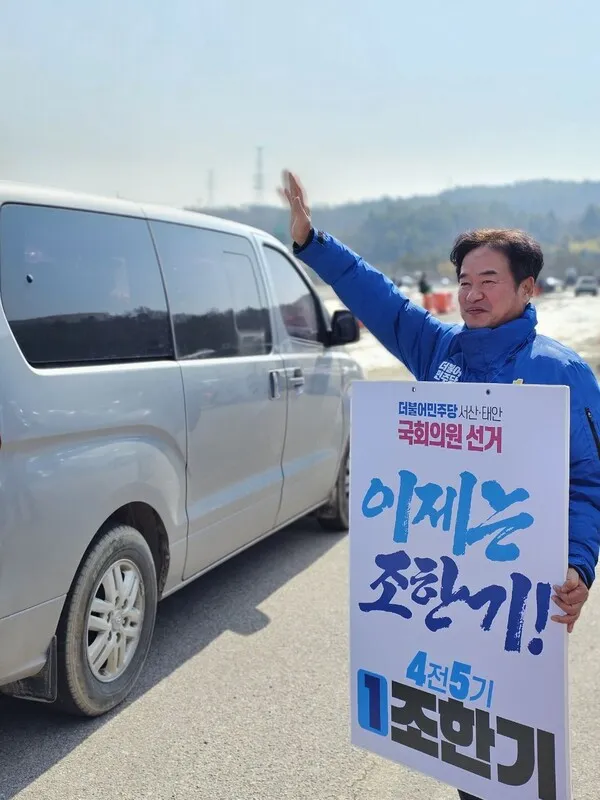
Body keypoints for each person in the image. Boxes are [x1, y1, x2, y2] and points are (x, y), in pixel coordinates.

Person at [279, 171, 600, 800]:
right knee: (462, 745)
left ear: (527, 288)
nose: (471, 295)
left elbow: (588, 483)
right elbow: (380, 300)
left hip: (514, 591)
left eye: (489, 282)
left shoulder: (563, 374)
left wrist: (580, 565)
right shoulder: (438, 350)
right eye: (463, 282)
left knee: (515, 741)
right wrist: (313, 241)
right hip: (446, 592)